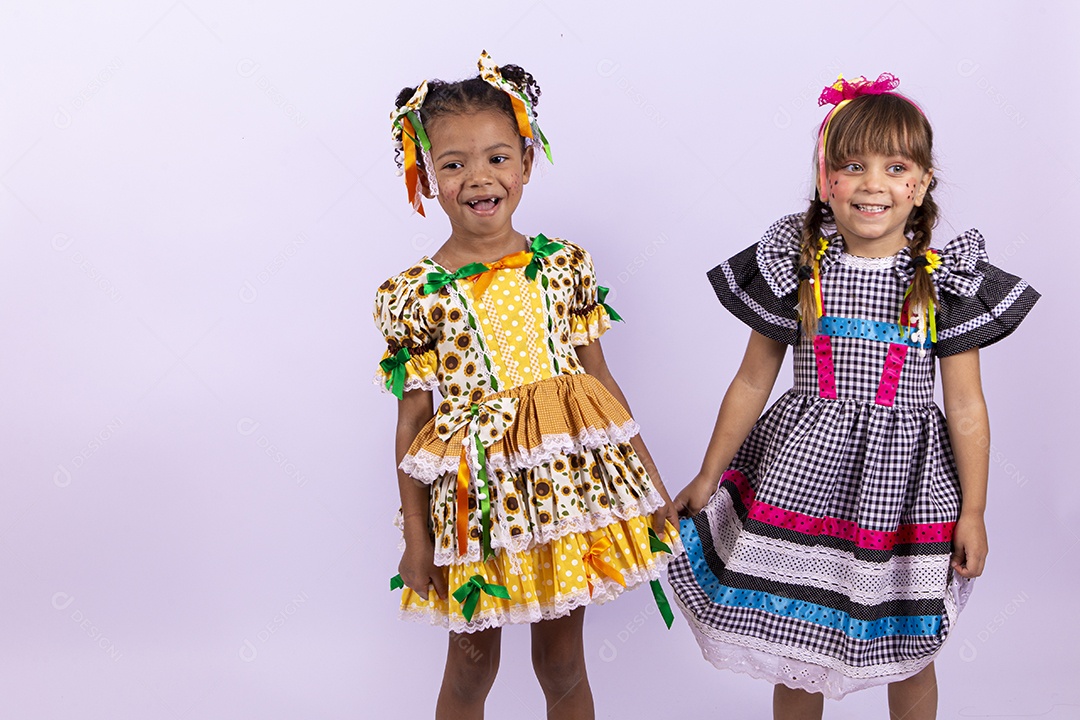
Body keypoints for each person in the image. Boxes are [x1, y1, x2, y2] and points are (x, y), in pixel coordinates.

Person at [667, 73, 1039, 719]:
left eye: (896, 167)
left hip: (905, 487)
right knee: (797, 646)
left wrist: (973, 510)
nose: (873, 184)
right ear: (824, 181)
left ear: (922, 184)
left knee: (909, 646)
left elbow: (968, 407)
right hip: (802, 481)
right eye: (852, 166)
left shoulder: (942, 282)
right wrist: (707, 472)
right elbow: (753, 380)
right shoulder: (799, 268)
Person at [374, 51, 680, 720]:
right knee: (472, 661)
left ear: (526, 159)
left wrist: (649, 487)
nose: (479, 178)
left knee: (563, 660)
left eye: (496, 157)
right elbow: (411, 422)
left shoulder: (562, 266)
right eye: (452, 164)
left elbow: (599, 381)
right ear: (425, 175)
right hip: (476, 500)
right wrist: (418, 537)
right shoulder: (415, 295)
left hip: (561, 493)